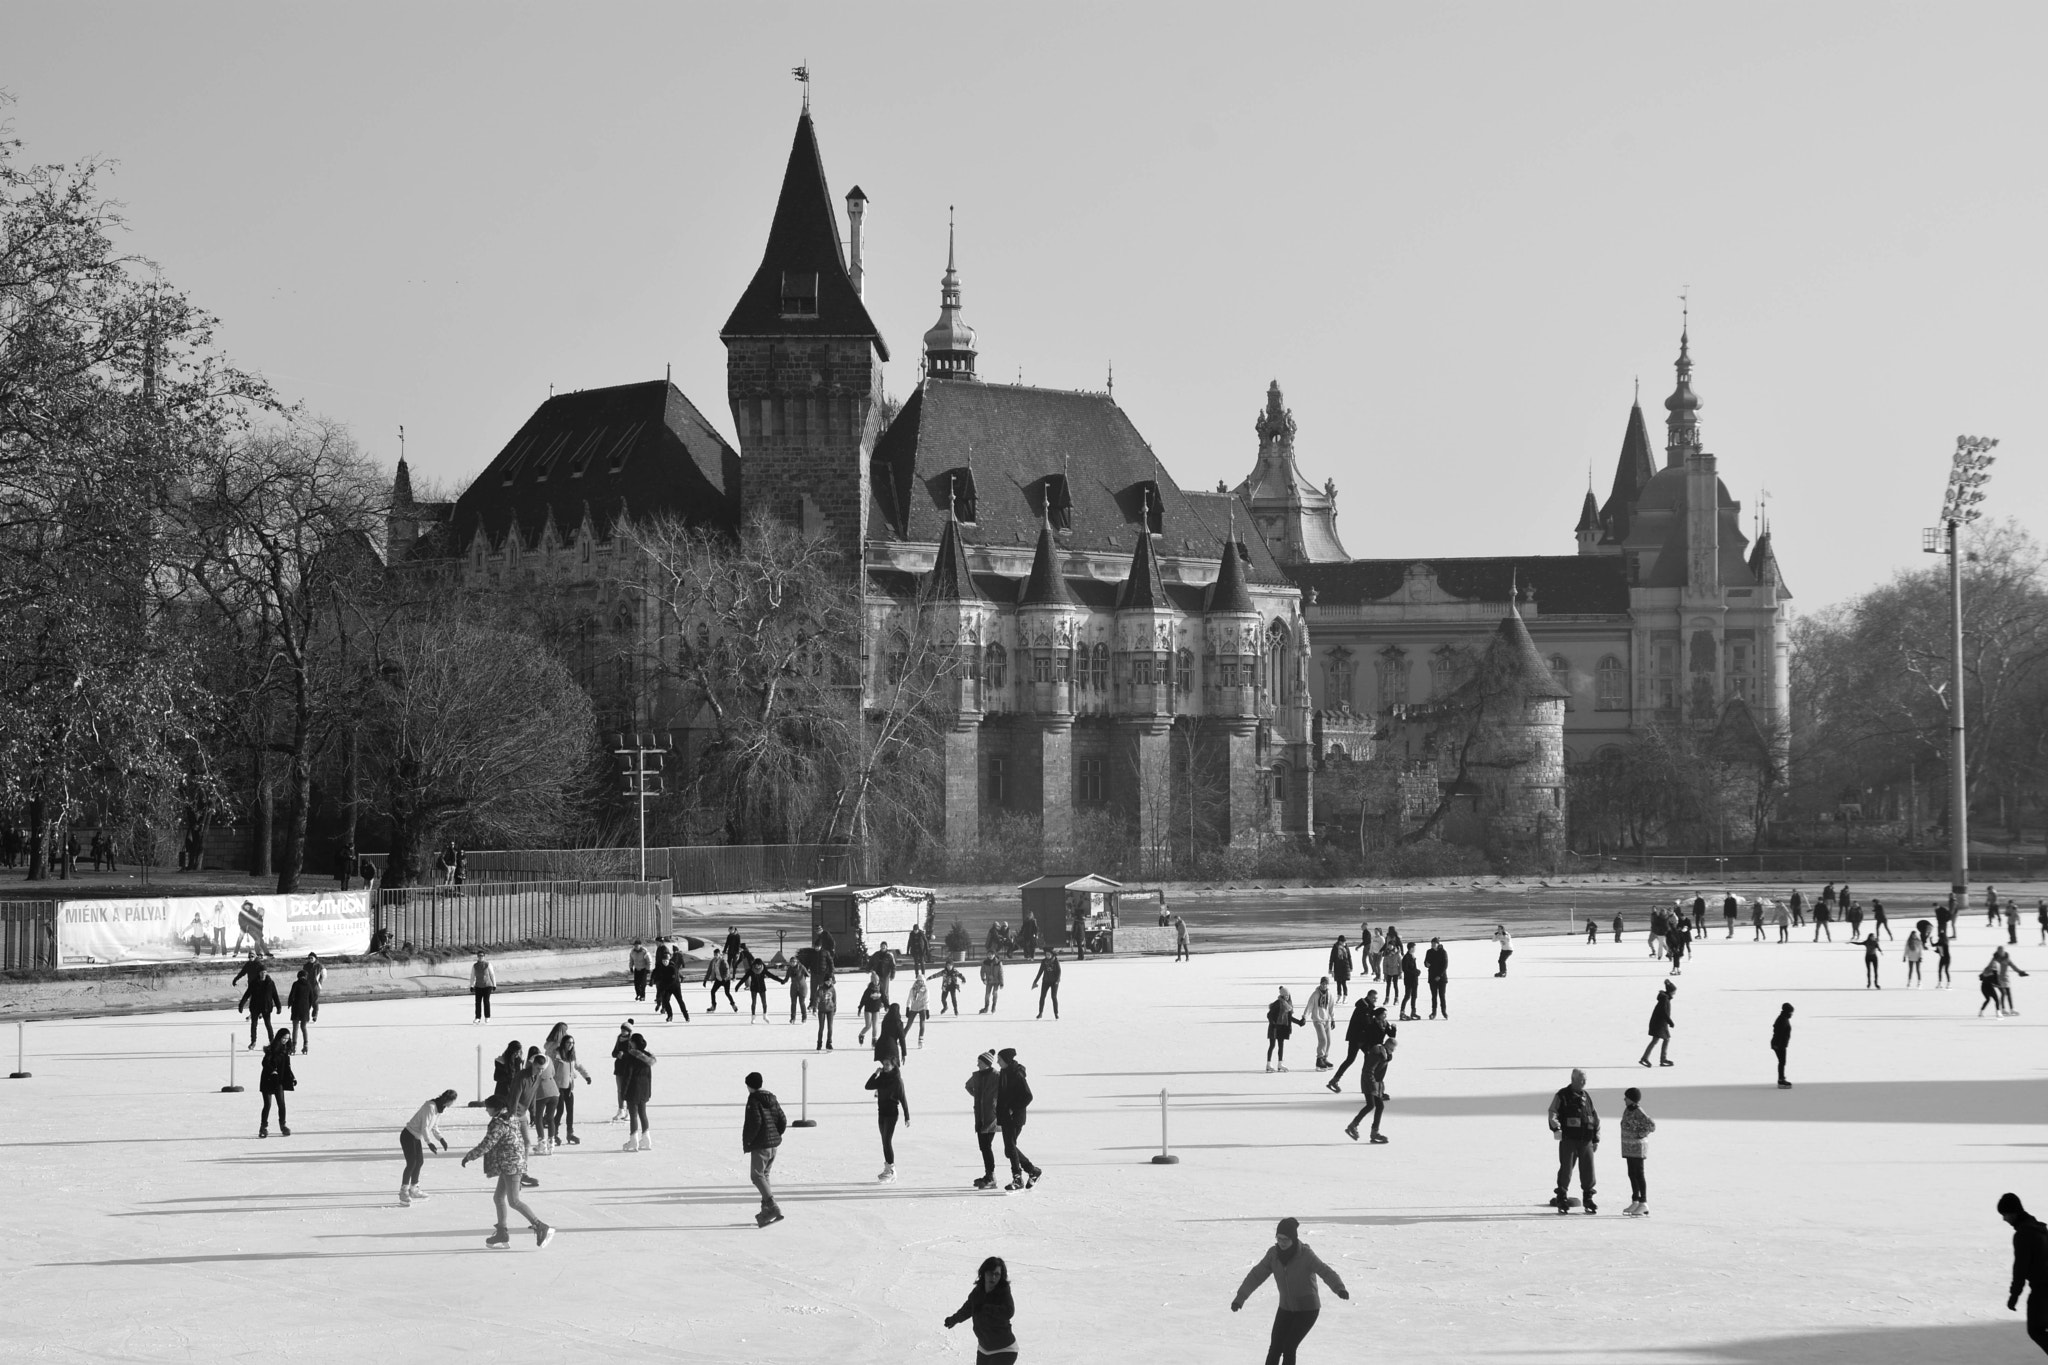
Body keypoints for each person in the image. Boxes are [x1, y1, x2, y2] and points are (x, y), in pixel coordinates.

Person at [1229, 1217, 1349, 1365]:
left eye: (1286, 1239)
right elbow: (1256, 1275)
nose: (1282, 1242)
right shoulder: (1273, 1255)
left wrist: (1339, 1288)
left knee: (1289, 1347)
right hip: (1286, 1308)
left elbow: (1325, 1271)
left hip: (1307, 1310)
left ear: (1293, 1238)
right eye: (1279, 1238)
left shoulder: (1306, 1255)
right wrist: (1240, 1298)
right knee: (1275, 1348)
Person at [460, 1095, 553, 1250]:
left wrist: (470, 1156)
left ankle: (540, 1225)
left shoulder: (499, 1123)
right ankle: (502, 1232)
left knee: (514, 1201)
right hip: (510, 1162)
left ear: (495, 1108)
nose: (486, 1110)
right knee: (498, 1197)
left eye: (488, 1107)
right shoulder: (510, 1117)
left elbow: (487, 1144)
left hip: (512, 1164)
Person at [1998, 1192, 2048, 1356]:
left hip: (2042, 1290)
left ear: (2013, 1213)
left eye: (2004, 1215)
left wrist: (2014, 1295)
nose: (2004, 1219)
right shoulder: (2039, 1229)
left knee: (2035, 1329)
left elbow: (2020, 1268)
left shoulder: (2024, 1234)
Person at [944, 1257, 1019, 1365]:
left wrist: (987, 1308)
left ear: (1001, 1276)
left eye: (997, 1274)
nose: (993, 1277)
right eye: (990, 1273)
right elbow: (967, 1309)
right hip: (984, 1349)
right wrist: (953, 1319)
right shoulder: (977, 1292)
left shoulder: (1003, 1292)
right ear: (983, 1273)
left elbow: (1009, 1311)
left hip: (1005, 1349)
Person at [1547, 1068, 1599, 1214]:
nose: (1584, 1082)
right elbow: (1553, 1112)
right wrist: (1556, 1128)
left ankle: (1588, 1197)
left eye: (1585, 1080)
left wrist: (1596, 1138)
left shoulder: (1586, 1096)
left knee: (1588, 1169)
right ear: (1573, 1079)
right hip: (1569, 1139)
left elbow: (1594, 1116)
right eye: (1581, 1080)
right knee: (1566, 1169)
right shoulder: (1562, 1095)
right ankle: (1562, 1197)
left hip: (1586, 1139)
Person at [742, 1071, 787, 1227]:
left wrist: (748, 1142)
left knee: (756, 1175)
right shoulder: (772, 1098)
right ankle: (766, 1210)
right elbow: (782, 1119)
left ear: (749, 1086)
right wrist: (775, 1136)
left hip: (761, 1145)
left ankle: (772, 1205)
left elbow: (754, 1123)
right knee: (765, 1175)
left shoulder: (753, 1100)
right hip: (773, 1145)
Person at [1343, 1011, 1395, 1144]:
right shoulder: (1377, 1054)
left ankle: (1374, 1132)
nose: (1392, 1052)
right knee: (1371, 1105)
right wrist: (1373, 1086)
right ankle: (1353, 1126)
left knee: (1379, 1106)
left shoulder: (1385, 1054)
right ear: (1387, 1046)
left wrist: (1380, 1087)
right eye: (1392, 1049)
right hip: (1368, 1082)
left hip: (1375, 1083)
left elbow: (1379, 1073)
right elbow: (1368, 1070)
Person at [398, 1089, 456, 1206]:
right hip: (408, 1135)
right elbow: (425, 1127)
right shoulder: (430, 1107)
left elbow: (433, 1126)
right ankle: (403, 1192)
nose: (452, 1104)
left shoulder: (439, 1108)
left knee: (419, 1162)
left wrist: (441, 1139)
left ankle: (413, 1189)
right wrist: (429, 1143)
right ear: (449, 1100)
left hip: (416, 1137)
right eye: (453, 1101)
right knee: (412, 1163)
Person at [995, 1047, 1041, 1191]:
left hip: (1015, 1117)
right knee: (1010, 1149)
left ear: (1007, 1060)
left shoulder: (1017, 1074)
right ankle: (1032, 1171)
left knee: (1010, 1148)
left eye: (1000, 1059)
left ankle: (1018, 1178)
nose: (998, 1062)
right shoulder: (1004, 1072)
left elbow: (1028, 1096)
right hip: (1006, 1117)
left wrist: (1012, 1109)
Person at [1326, 992, 1382, 1091]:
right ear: (1368, 996)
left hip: (1359, 1038)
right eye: (1373, 998)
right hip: (1358, 1038)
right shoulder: (1363, 1008)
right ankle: (1367, 1086)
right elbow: (1366, 1023)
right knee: (1358, 1060)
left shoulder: (1366, 1007)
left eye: (1376, 998)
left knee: (1357, 1059)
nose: (1375, 1000)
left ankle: (1335, 1081)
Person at [865, 1058, 909, 1182]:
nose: (885, 1066)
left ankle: (892, 1170)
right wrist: (875, 1074)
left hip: (892, 1114)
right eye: (884, 1064)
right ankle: (888, 1168)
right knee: (884, 1142)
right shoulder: (881, 1078)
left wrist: (907, 1116)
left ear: (893, 1066)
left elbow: (903, 1098)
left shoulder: (897, 1081)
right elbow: (868, 1086)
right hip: (882, 1113)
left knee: (887, 1140)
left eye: (887, 1064)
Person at [966, 1051, 1003, 1189]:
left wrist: (997, 1103)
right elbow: (968, 1086)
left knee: (986, 1147)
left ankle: (991, 1177)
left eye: (980, 1062)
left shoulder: (997, 1076)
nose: (977, 1064)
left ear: (987, 1064)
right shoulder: (976, 1075)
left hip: (991, 1116)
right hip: (980, 1116)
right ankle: (989, 1175)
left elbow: (1004, 1091)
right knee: (983, 1147)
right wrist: (978, 1097)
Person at [1620, 1087, 1656, 1216]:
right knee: (1631, 1173)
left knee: (1639, 1173)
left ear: (1632, 1099)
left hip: (1637, 1148)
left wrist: (1642, 1133)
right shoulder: (1628, 1110)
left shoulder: (1638, 1111)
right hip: (1628, 1148)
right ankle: (1635, 1200)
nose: (1624, 1099)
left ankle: (1643, 1202)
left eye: (1626, 1097)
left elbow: (1651, 1125)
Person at [552, 1033, 591, 1146]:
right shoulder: (556, 1055)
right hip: (558, 1088)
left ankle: (570, 1133)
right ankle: (554, 1134)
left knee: (570, 1112)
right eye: (568, 1043)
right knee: (559, 1111)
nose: (570, 1045)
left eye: (572, 1043)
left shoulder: (572, 1056)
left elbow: (578, 1066)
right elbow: (550, 1069)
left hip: (569, 1088)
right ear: (564, 1043)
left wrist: (586, 1076)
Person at [258, 1028, 295, 1138]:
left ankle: (283, 1126)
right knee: (267, 1104)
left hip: (278, 1081)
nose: (285, 1040)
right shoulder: (272, 1048)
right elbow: (265, 1062)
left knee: (281, 1104)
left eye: (287, 1039)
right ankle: (263, 1127)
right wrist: (272, 1070)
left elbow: (287, 1067)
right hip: (268, 1080)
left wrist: (292, 1077)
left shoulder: (285, 1050)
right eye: (284, 1038)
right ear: (279, 1037)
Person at [237, 960, 280, 1049]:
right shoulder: (254, 982)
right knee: (254, 1025)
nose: (263, 974)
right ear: (259, 973)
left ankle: (272, 1042)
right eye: (261, 972)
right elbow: (247, 994)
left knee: (268, 1025)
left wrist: (278, 1006)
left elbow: (275, 995)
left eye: (265, 972)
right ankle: (253, 1042)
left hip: (266, 1007)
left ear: (266, 973)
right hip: (255, 1007)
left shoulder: (270, 983)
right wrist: (241, 1004)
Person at [1265, 987, 1304, 1073]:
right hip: (1274, 1027)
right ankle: (1268, 1064)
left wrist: (1299, 1022)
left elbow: (1290, 1018)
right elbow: (1269, 1015)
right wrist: (1273, 1023)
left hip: (1282, 1027)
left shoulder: (1288, 1005)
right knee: (1272, 1045)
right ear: (1281, 995)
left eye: (1288, 995)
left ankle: (1280, 1064)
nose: (1287, 997)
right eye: (1285, 995)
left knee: (1281, 1045)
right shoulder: (1277, 1003)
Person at [1638, 982, 1676, 1068]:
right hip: (1659, 1024)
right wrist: (1670, 1022)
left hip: (1660, 1023)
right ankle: (1661, 1059)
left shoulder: (1665, 998)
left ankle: (1649, 1058)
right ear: (1670, 991)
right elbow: (1663, 1012)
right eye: (1674, 991)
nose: (1675, 993)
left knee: (1659, 1040)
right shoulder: (1664, 999)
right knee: (1663, 1039)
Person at [1305, 977, 1336, 1069]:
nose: (1324, 985)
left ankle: (1324, 1058)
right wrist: (1304, 1017)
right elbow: (1309, 1006)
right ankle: (1319, 1059)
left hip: (1326, 1020)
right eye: (1322, 983)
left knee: (1329, 1041)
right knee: (1323, 1040)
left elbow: (1331, 1007)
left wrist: (1333, 1019)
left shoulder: (1329, 995)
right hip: (1317, 1020)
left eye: (1326, 984)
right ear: (1320, 984)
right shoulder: (1315, 994)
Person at [285, 966, 316, 1054]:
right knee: (304, 1027)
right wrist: (309, 1007)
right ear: (306, 976)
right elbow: (311, 998)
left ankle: (293, 1046)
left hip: (296, 1008)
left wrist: (289, 1003)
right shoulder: (309, 985)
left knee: (295, 1027)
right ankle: (305, 1045)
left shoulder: (296, 984)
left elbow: (292, 995)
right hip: (305, 1009)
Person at [875, 1002, 909, 1068]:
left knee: (886, 1068)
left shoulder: (885, 1020)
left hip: (881, 1045)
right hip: (891, 1047)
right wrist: (904, 1053)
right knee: (894, 1069)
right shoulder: (898, 1023)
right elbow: (902, 1038)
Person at [1032, 949, 1062, 1020]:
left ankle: (1056, 1013)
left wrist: (1057, 980)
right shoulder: (1044, 962)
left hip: (1054, 982)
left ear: (1052, 955)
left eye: (1049, 955)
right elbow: (1040, 972)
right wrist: (1035, 981)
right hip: (1045, 981)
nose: (1047, 956)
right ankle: (1040, 1013)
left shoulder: (1055, 961)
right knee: (1042, 997)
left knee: (1053, 997)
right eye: (1046, 955)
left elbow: (1059, 971)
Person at [1770, 1003, 1794, 1088]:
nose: (1792, 1014)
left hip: (1780, 1044)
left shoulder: (1783, 1018)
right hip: (1779, 1045)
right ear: (1787, 1012)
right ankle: (1781, 1080)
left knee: (1782, 1062)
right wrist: (1777, 1044)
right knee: (1782, 1062)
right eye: (1791, 1012)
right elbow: (1779, 1034)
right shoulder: (1783, 1019)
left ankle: (1781, 1078)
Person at [815, 973, 838, 1051]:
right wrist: (815, 1007)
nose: (829, 982)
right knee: (821, 1027)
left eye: (830, 981)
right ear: (824, 981)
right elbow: (817, 998)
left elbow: (834, 999)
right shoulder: (821, 989)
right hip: (821, 1010)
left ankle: (829, 1043)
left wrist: (835, 1007)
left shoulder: (832, 989)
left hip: (830, 1010)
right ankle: (819, 1043)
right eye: (827, 981)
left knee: (830, 1027)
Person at [470, 951, 495, 1022]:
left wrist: (494, 984)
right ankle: (478, 1017)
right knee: (478, 1002)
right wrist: (472, 985)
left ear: (484, 956)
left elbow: (492, 975)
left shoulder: (488, 964)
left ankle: (487, 1016)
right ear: (477, 957)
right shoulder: (475, 965)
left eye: (482, 956)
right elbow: (472, 976)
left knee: (486, 1001)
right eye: (479, 956)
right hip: (478, 986)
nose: (481, 957)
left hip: (487, 985)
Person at [1398, 944, 1421, 1021]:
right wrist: (1415, 972)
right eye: (1414, 948)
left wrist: (1417, 972)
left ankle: (1413, 1012)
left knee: (1414, 996)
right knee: (1407, 996)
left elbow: (1413, 967)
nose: (1415, 949)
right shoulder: (1406, 957)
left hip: (1414, 980)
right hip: (1409, 980)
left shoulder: (1412, 956)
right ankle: (1402, 1012)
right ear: (1411, 948)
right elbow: (1405, 969)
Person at [786, 952, 810, 1023]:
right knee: (793, 1003)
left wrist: (807, 974)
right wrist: (782, 981)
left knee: (801, 1002)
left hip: (802, 987)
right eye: (791, 962)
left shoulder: (801, 967)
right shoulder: (789, 969)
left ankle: (804, 1017)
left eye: (794, 962)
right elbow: (786, 978)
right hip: (793, 988)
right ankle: (793, 1018)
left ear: (797, 962)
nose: (792, 963)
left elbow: (808, 974)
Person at [1328, 937, 1352, 1001]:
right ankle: (1339, 996)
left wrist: (1351, 966)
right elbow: (1332, 958)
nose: (1344, 943)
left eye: (1344, 941)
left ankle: (1345, 996)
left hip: (1345, 966)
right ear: (1339, 941)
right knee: (1338, 983)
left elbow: (1349, 957)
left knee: (1344, 983)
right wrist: (1330, 968)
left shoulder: (1346, 947)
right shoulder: (1335, 948)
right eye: (1343, 941)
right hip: (1337, 967)